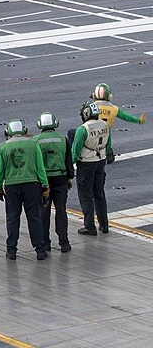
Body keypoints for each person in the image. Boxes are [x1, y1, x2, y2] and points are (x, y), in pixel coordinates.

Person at [0, 119, 50, 260]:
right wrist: (45, 185)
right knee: (34, 217)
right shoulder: (33, 144)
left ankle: (11, 250)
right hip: (32, 185)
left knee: (12, 218)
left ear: (8, 132)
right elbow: (40, 168)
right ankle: (40, 250)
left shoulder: (3, 147)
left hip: (12, 186)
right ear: (24, 130)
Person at [33, 112, 73, 253]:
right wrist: (70, 177)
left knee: (44, 212)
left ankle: (45, 243)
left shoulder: (36, 140)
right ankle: (64, 242)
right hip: (60, 178)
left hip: (44, 181)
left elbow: (35, 163)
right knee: (61, 210)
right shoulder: (62, 139)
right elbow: (69, 160)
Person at [73, 102, 111, 236]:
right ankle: (104, 224)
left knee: (86, 195)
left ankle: (89, 226)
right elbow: (108, 144)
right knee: (99, 193)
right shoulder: (105, 125)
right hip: (101, 162)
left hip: (86, 164)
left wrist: (69, 166)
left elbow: (75, 151)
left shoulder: (82, 129)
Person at [86, 83, 145, 161]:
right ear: (109, 96)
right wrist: (138, 120)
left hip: (92, 133)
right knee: (108, 146)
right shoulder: (113, 108)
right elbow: (126, 117)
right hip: (105, 133)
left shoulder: (91, 106)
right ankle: (107, 153)